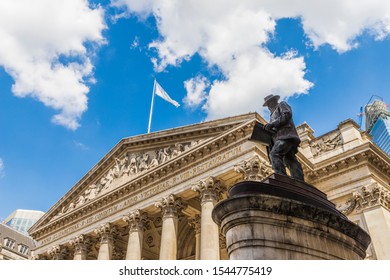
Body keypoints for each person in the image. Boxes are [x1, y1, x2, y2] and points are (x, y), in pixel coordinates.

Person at [263, 94, 305, 181]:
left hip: (286, 136)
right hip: (280, 137)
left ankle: (281, 177)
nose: (269, 106)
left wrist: (272, 124)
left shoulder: (282, 104)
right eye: (268, 105)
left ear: (274, 101)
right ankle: (299, 180)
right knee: (290, 160)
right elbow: (276, 127)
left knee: (274, 154)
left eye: (269, 103)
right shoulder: (272, 115)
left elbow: (286, 115)